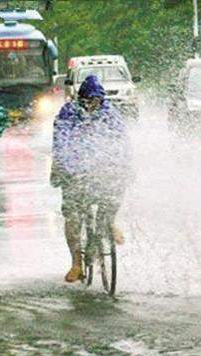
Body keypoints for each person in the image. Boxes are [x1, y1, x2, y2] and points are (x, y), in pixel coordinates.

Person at [50, 75, 133, 283]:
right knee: (73, 215)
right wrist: (65, 168)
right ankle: (76, 263)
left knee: (115, 193)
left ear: (101, 100)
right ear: (81, 98)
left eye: (96, 101)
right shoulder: (68, 113)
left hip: (103, 170)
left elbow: (122, 142)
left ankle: (110, 222)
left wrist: (126, 165)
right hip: (75, 171)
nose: (92, 105)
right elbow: (61, 142)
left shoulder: (110, 114)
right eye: (88, 100)